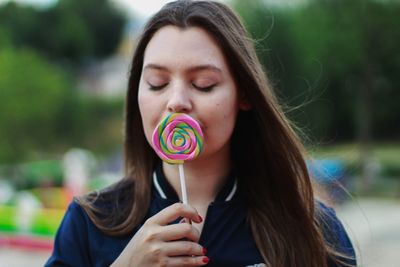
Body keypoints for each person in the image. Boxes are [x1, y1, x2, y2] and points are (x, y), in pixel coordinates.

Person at [45, 1, 356, 266]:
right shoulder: (89, 222)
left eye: (204, 84)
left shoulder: (312, 228)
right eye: (157, 83)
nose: (176, 101)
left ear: (244, 93)